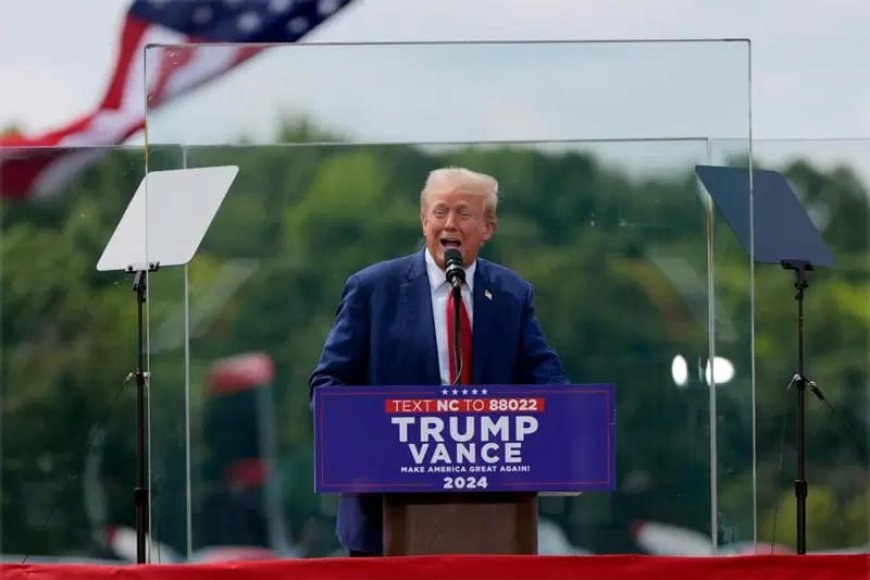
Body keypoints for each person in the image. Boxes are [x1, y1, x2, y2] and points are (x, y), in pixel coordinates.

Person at [309, 166, 568, 556]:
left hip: (490, 519)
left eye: (464, 213)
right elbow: (328, 385)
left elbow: (548, 381)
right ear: (423, 219)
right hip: (383, 520)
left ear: (488, 227)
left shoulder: (512, 295)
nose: (450, 223)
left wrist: (568, 416)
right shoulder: (372, 290)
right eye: (440, 211)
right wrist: (376, 434)